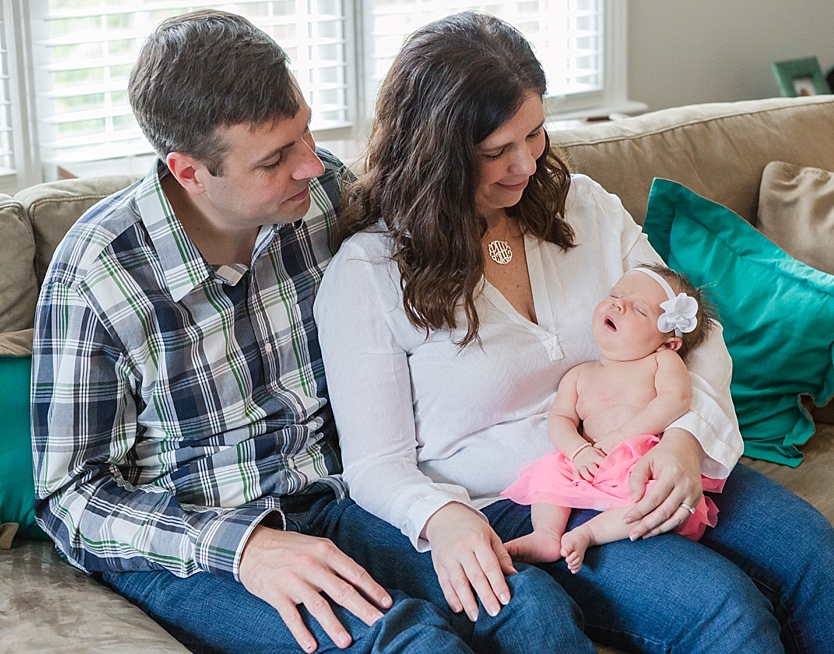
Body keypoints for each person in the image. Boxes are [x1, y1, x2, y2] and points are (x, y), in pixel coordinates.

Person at [316, 11, 834, 654]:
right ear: (436, 156)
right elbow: (374, 466)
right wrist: (441, 517)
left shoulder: (582, 205)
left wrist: (683, 437)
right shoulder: (368, 274)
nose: (525, 164)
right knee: (724, 608)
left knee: (816, 555)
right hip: (518, 498)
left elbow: (690, 329)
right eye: (493, 152)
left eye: (534, 135)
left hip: (648, 453)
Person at [31, 10, 593, 654]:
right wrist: (246, 548)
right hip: (205, 548)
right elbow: (69, 496)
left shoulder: (324, 197)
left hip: (342, 499)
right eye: (275, 159)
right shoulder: (99, 274)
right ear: (189, 171)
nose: (311, 165)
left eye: (304, 131)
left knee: (532, 611)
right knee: (414, 646)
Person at [501, 264, 724, 574]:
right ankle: (546, 535)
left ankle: (589, 533)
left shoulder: (662, 361)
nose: (618, 304)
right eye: (615, 295)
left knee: (654, 495)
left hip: (638, 461)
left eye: (639, 310)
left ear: (668, 341)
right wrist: (577, 450)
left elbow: (676, 400)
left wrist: (623, 434)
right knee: (548, 472)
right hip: (587, 461)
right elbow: (561, 418)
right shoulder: (578, 375)